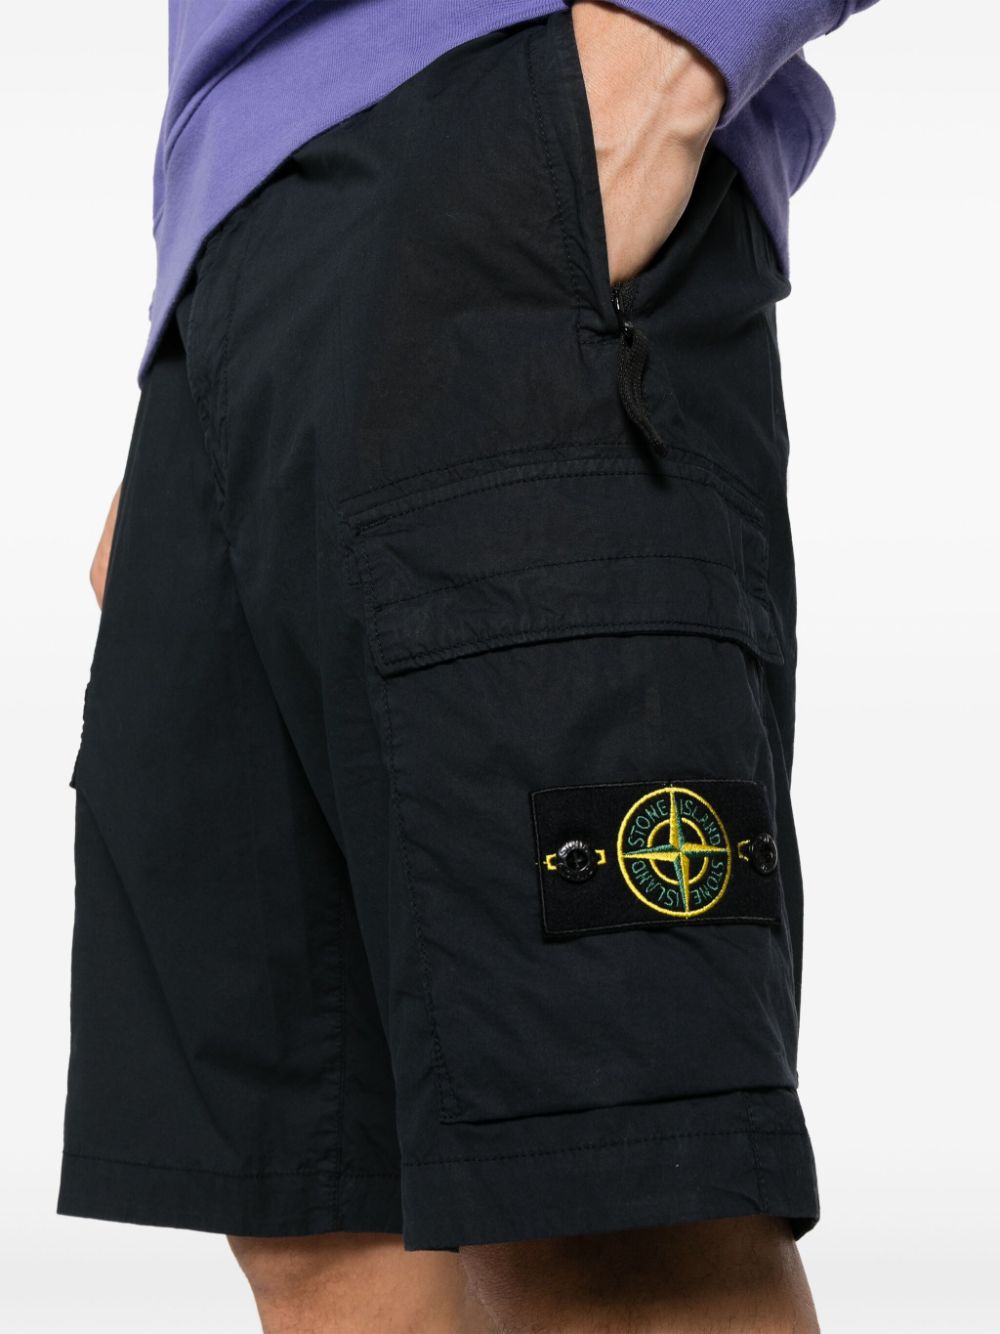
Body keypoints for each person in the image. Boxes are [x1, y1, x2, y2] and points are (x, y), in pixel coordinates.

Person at [59, 2, 880, 1330]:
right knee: (323, 1232)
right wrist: (217, 354)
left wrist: (680, 38)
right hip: (236, 279)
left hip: (506, 159)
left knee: (613, 1209)